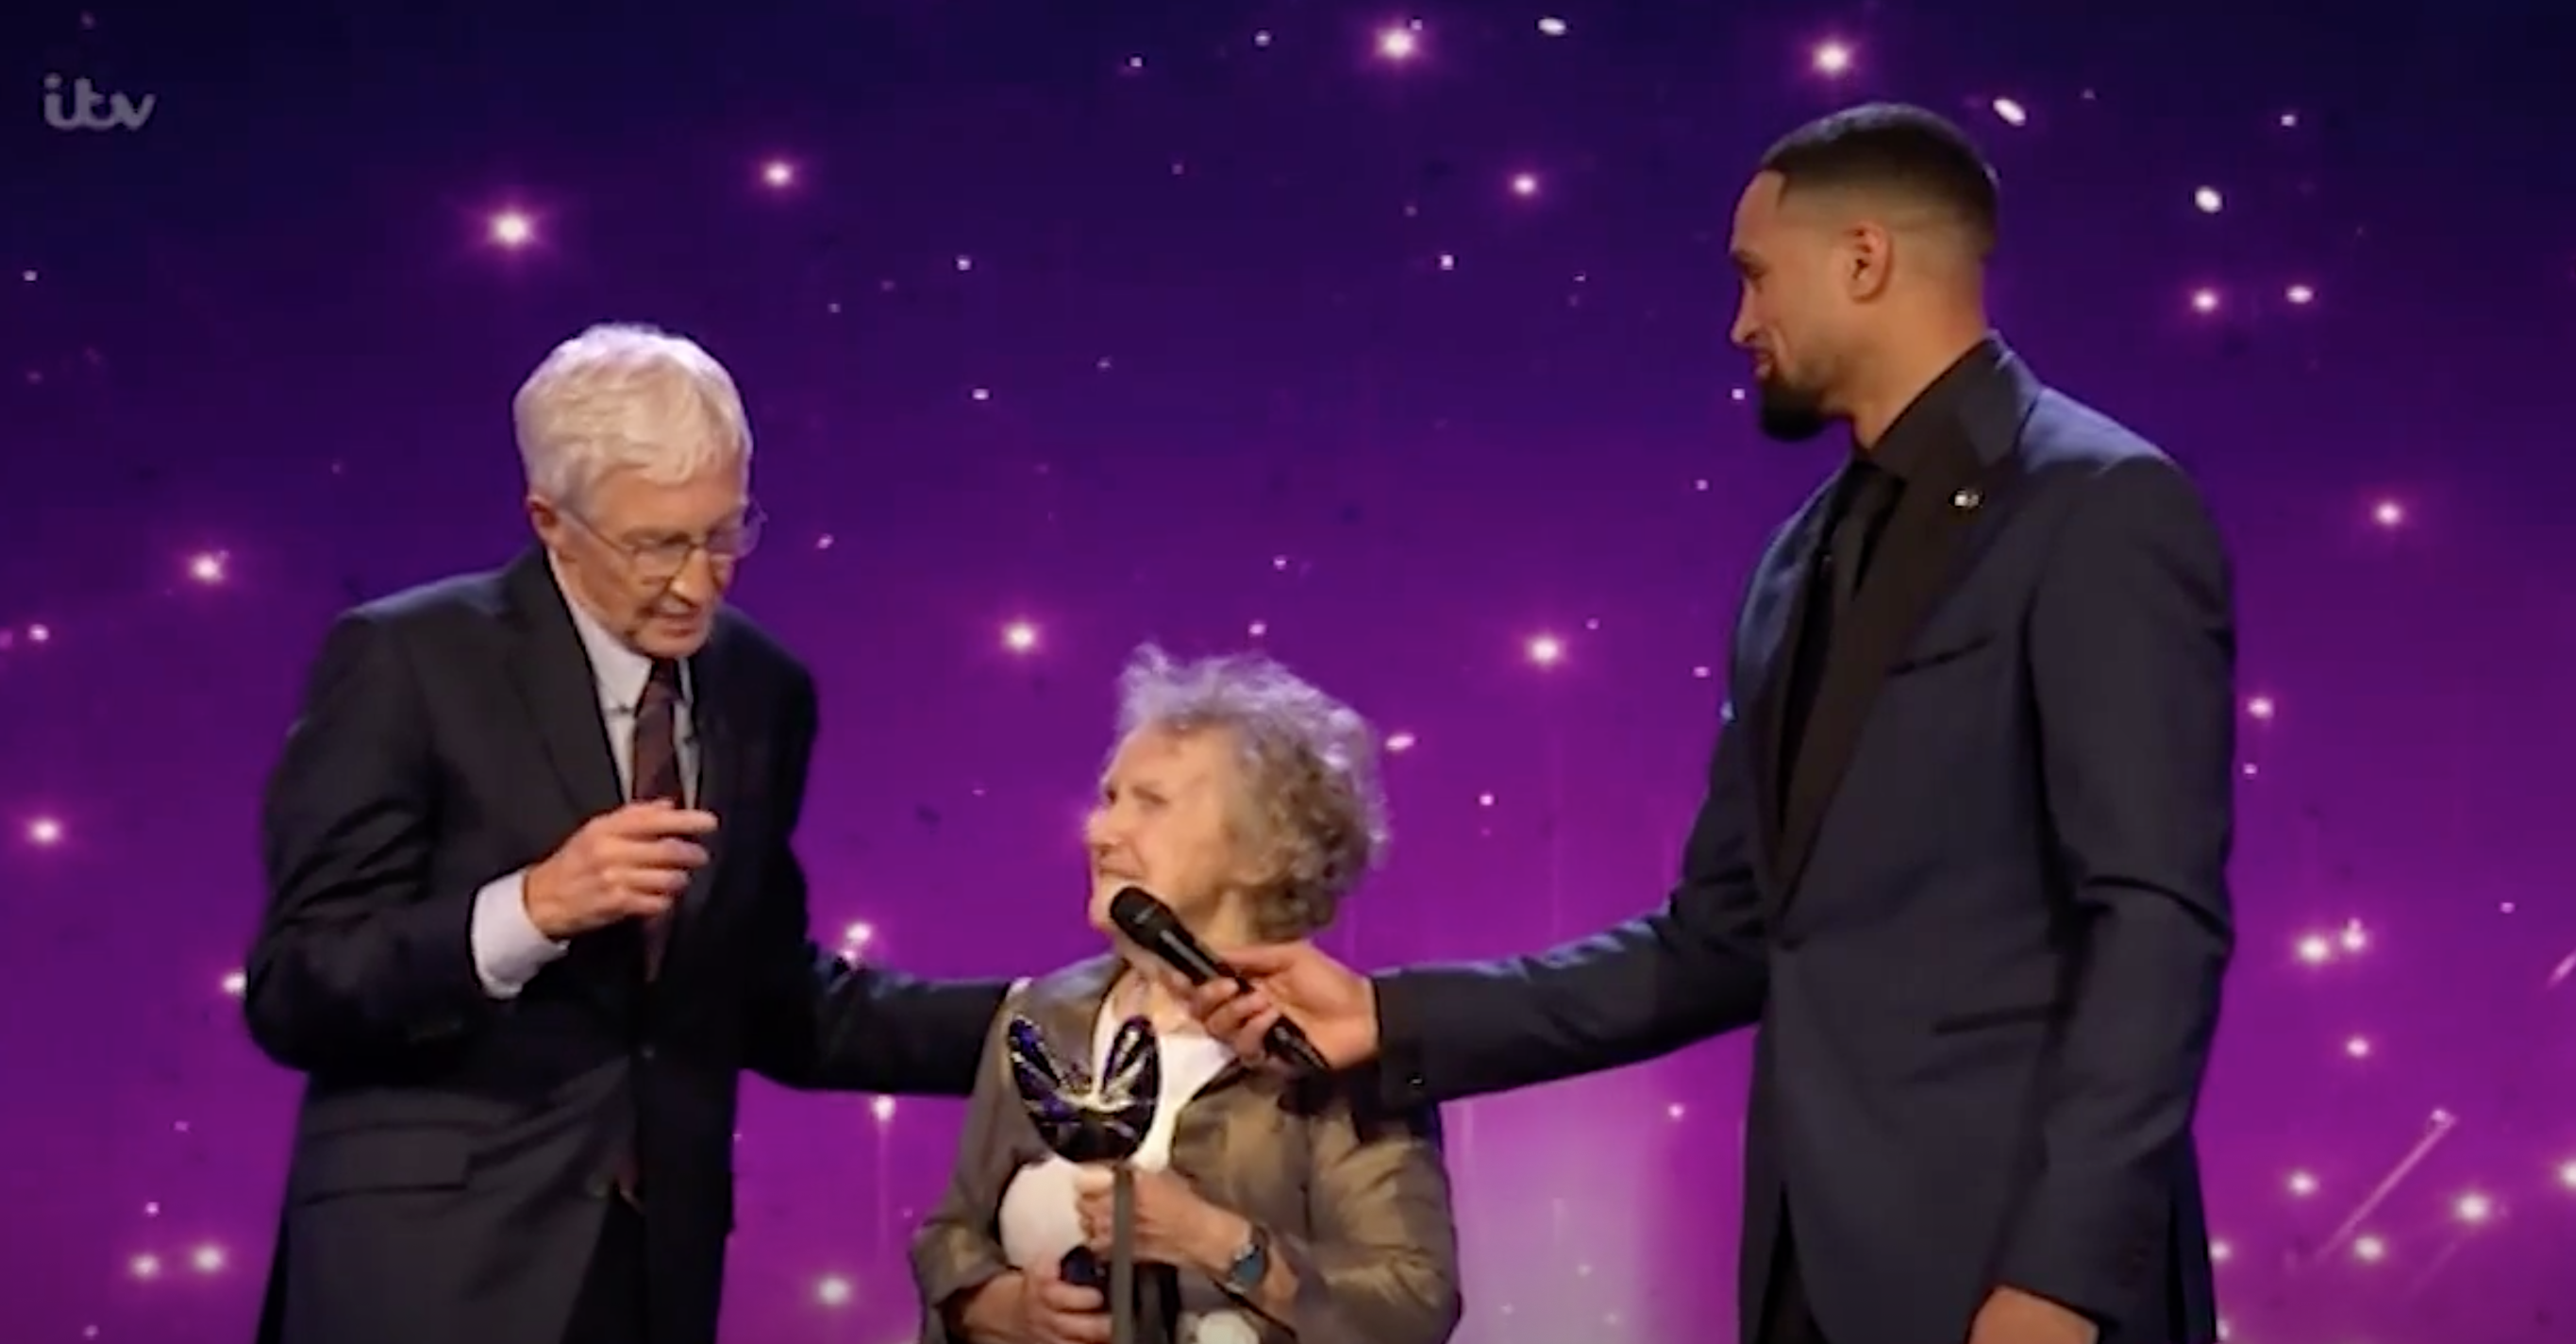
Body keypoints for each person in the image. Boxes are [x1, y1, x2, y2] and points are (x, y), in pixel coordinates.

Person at [1184, 104, 2233, 1344]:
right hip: (1808, 1269)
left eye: (1752, 276)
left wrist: (2062, 1277)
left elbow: (2153, 924)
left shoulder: (2098, 507)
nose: (1738, 323)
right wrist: (1389, 1020)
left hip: (2017, 1278)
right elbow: (1721, 942)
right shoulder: (1795, 563)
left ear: (1862, 259)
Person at [243, 322, 1013, 1344]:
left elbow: (773, 999)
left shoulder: (759, 687)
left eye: (726, 534)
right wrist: (528, 909)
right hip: (429, 1267)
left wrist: (1057, 1019)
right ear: (550, 520)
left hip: (652, 1271)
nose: (698, 581)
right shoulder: (409, 659)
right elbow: (297, 985)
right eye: (658, 545)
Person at [912, 647, 1462, 1344]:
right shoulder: (1041, 1019)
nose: (1100, 832)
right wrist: (1000, 1305)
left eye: (1151, 804)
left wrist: (1215, 1240)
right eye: (1111, 798)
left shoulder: (1338, 1043)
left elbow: (1412, 1307)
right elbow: (949, 1236)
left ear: (1265, 850)